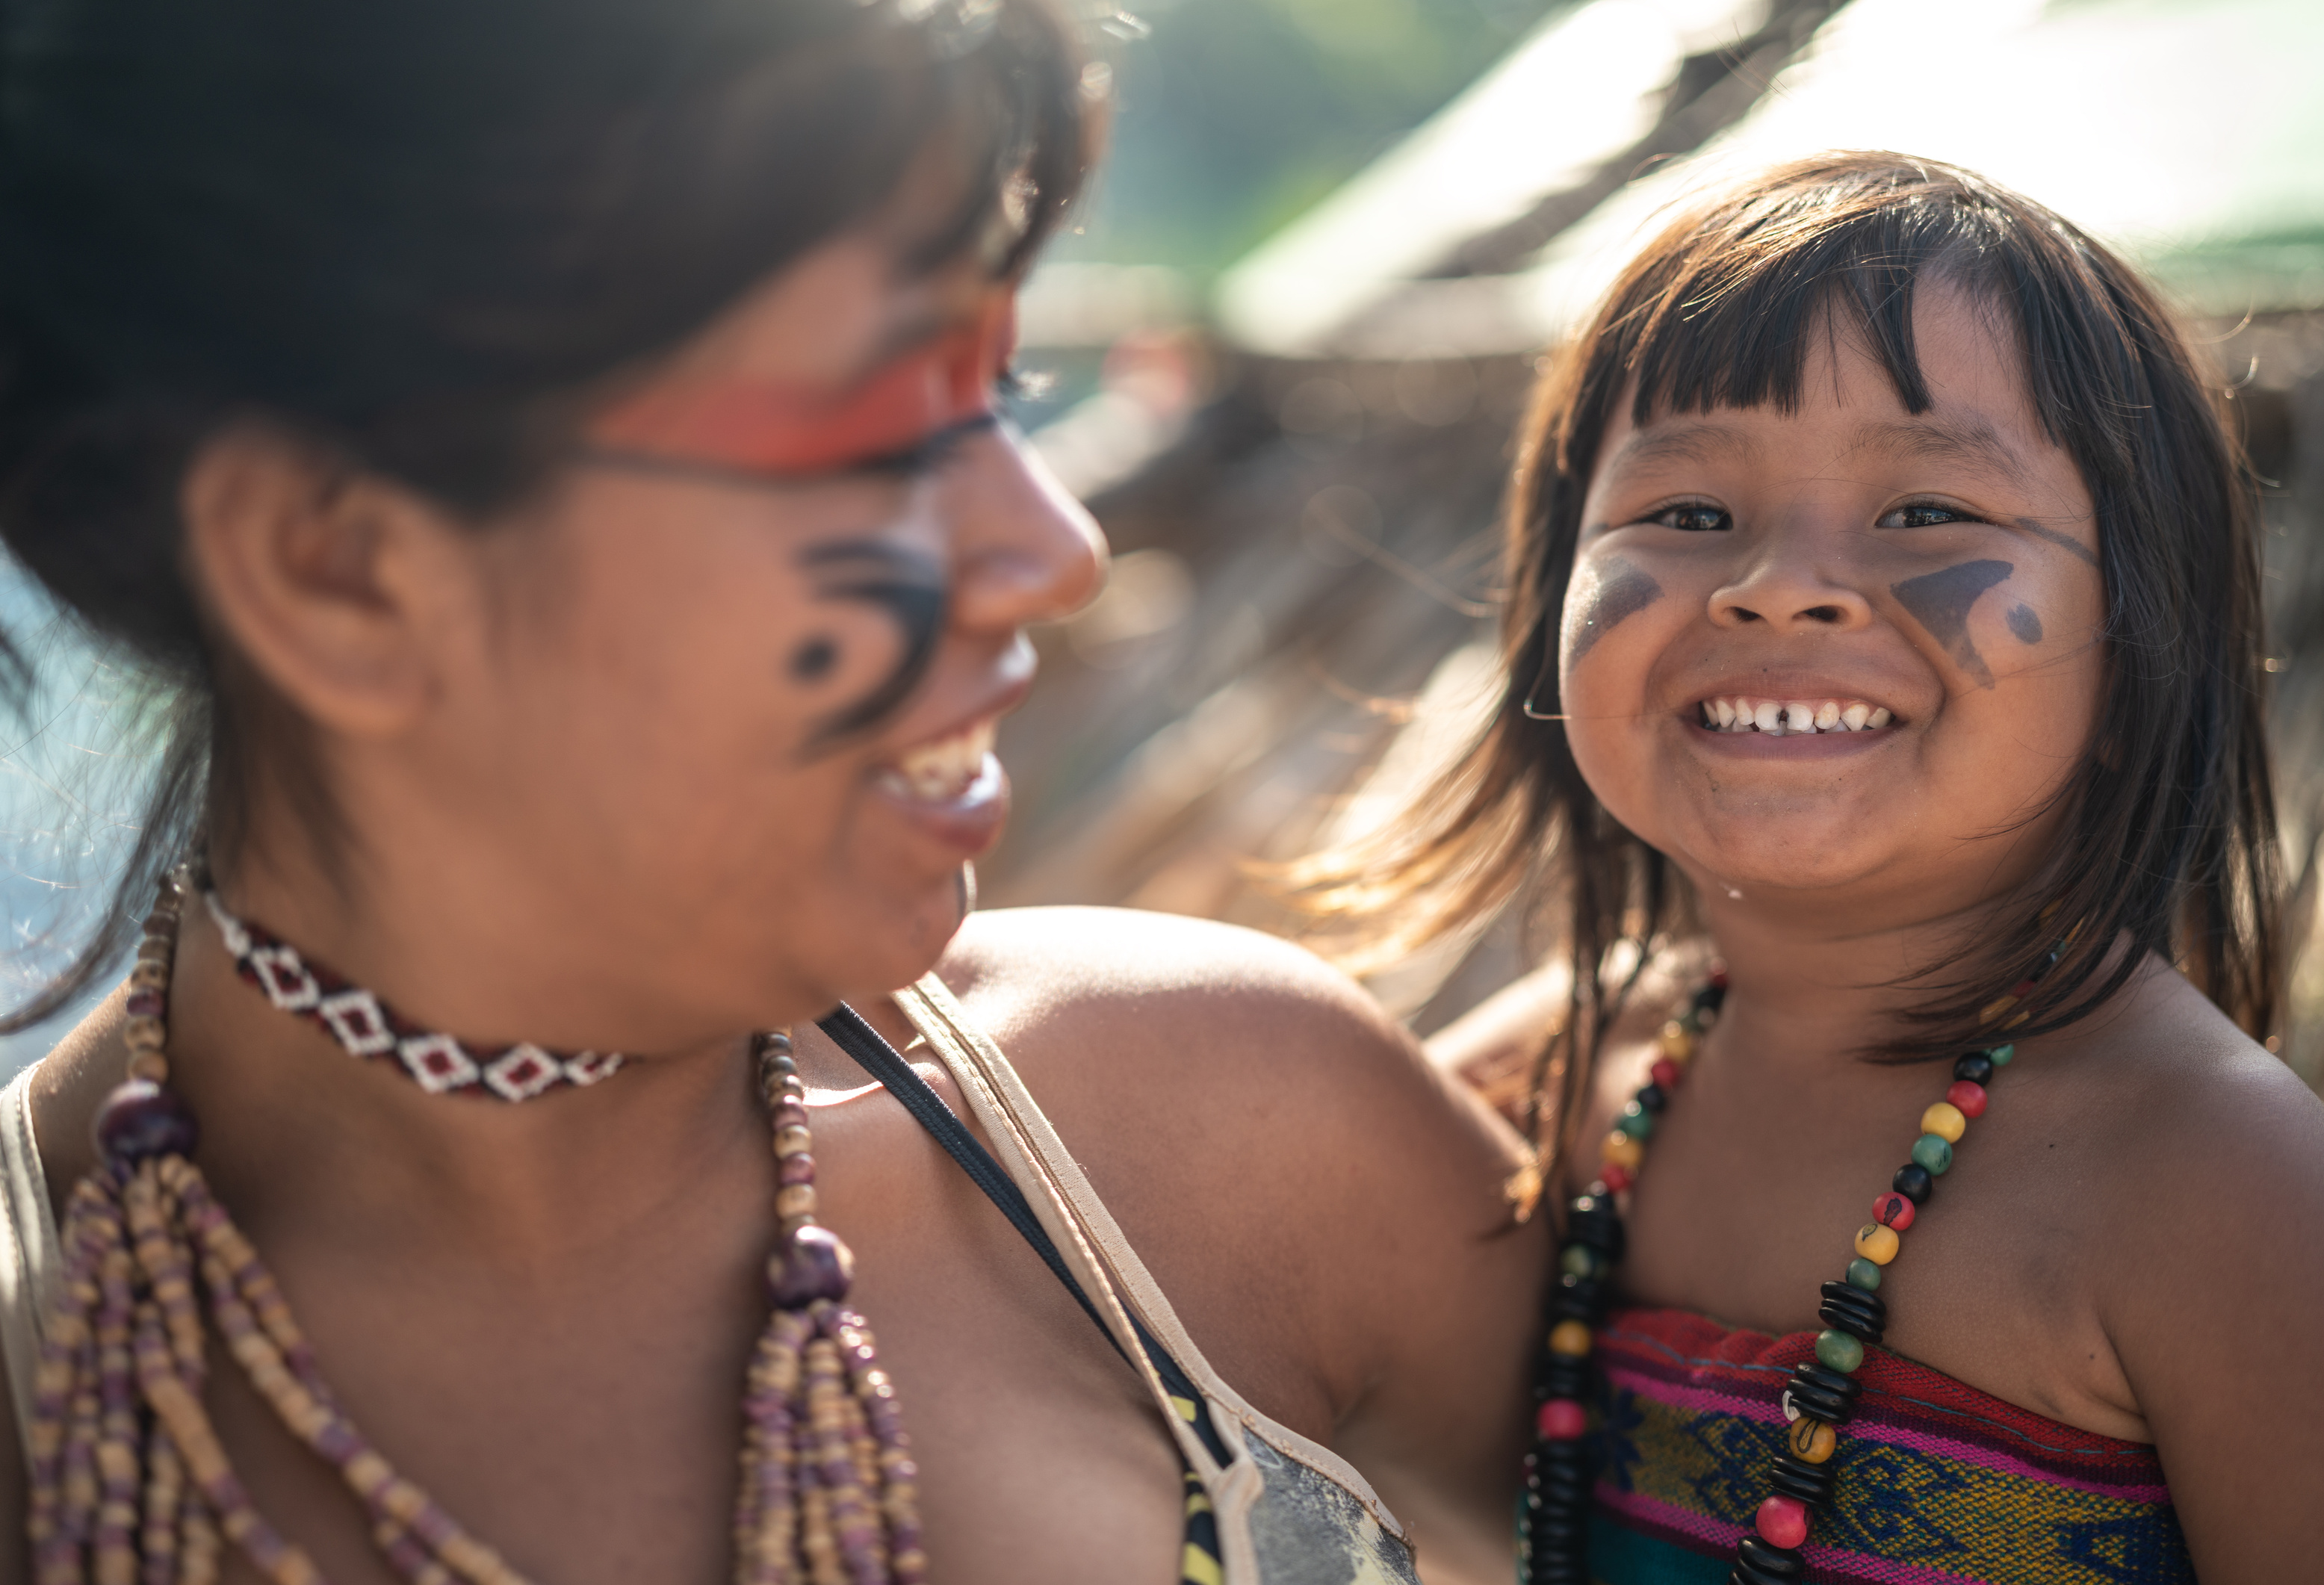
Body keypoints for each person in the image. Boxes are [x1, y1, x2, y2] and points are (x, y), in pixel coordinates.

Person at [0, 2, 1548, 1581]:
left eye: (1001, 398)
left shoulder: (1231, 1135)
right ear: (335, 572)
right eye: (878, 438)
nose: (1059, 549)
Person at [1303, 153, 2324, 1584]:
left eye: (1926, 510)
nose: (1775, 581)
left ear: (2137, 652)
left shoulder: (2218, 1188)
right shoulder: (1541, 1092)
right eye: (1684, 515)